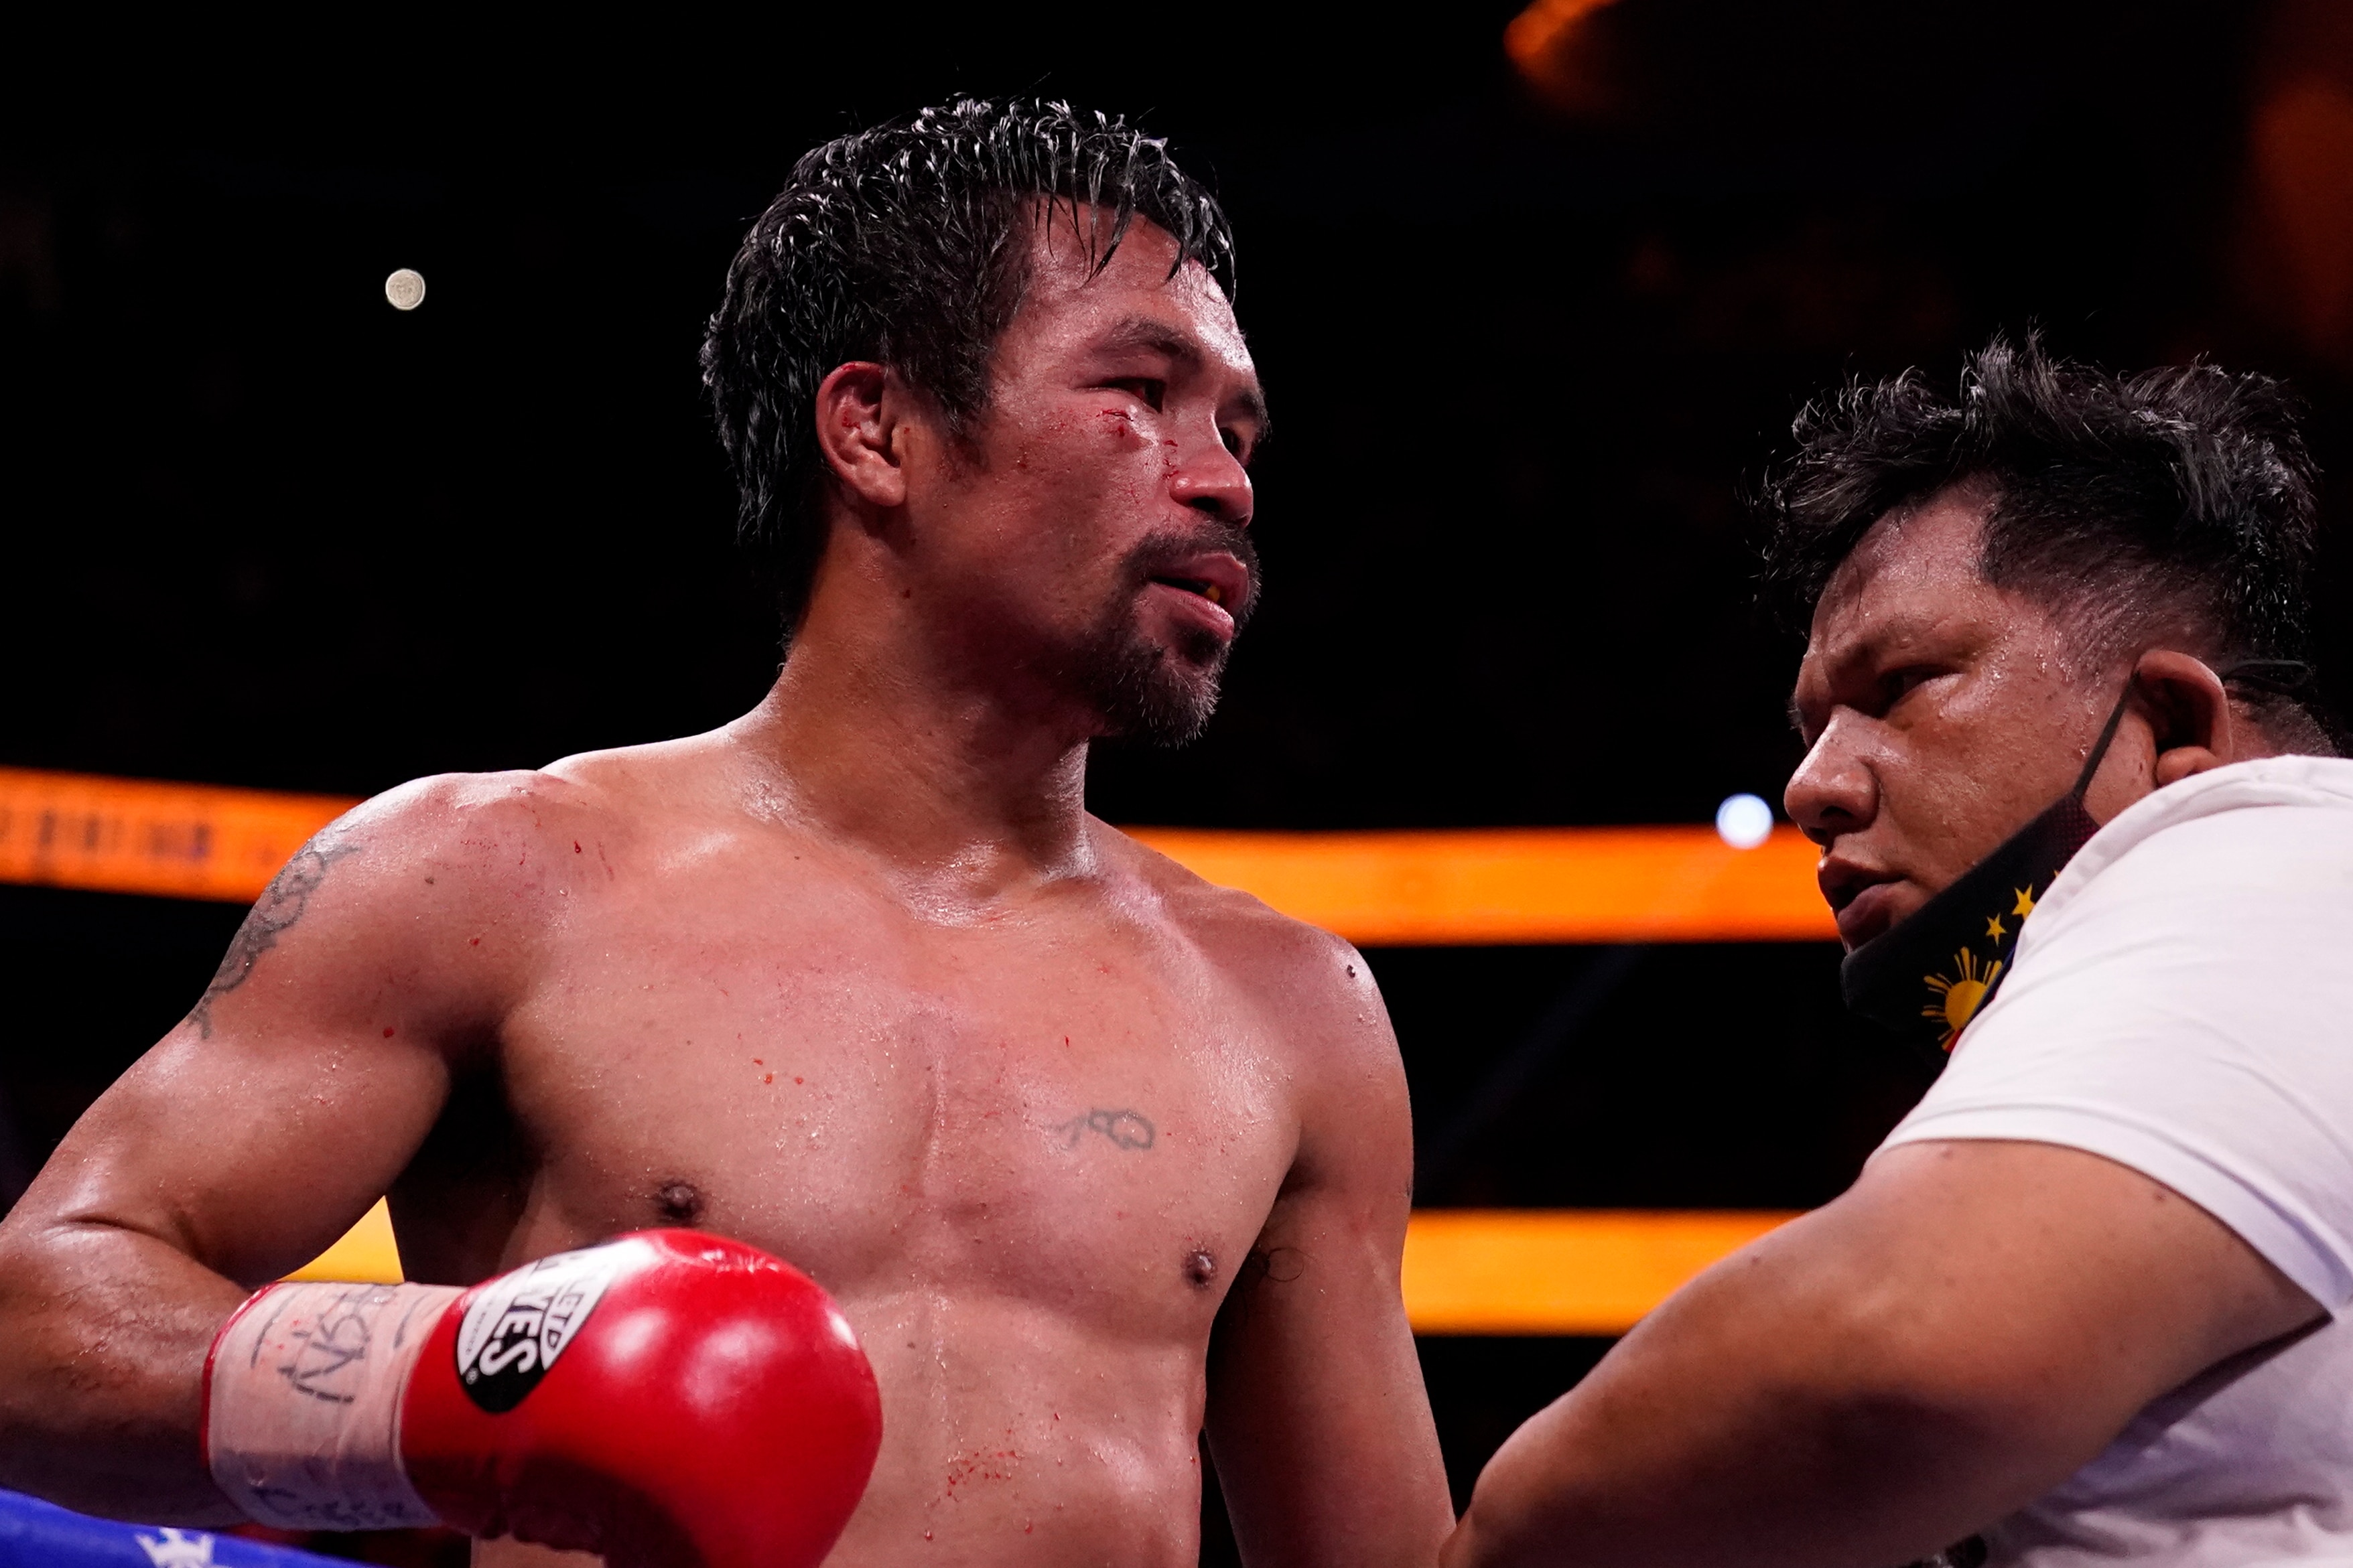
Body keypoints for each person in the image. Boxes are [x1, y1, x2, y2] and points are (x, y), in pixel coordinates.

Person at [0, 98, 1454, 1568]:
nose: (1224, 478)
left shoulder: (1291, 1011)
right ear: (876, 430)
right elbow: (37, 1320)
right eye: (1140, 388)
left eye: (1236, 425)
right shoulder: (490, 880)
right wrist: (461, 1392)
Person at [1445, 336, 2353, 1568]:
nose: (1810, 785)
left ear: (2174, 726)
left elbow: (1889, 1346)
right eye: (1814, 726)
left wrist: (1493, 1543)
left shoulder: (2268, 862)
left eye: (1902, 685)